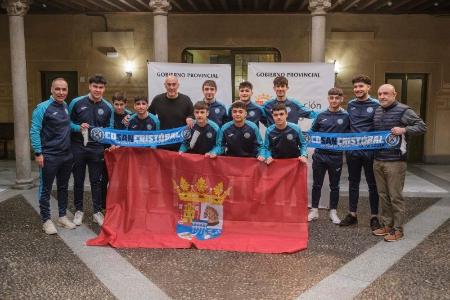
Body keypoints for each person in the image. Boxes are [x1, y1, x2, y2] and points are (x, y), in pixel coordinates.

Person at [372, 84, 426, 241]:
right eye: (380, 94)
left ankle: (398, 229)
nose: (382, 96)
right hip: (378, 159)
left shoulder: (404, 110)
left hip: (395, 162)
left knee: (395, 196)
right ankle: (387, 225)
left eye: (386, 93)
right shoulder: (378, 110)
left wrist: (404, 130)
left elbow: (422, 127)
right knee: (383, 195)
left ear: (394, 94)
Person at [30, 78, 76, 234]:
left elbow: (67, 126)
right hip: (49, 155)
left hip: (66, 155)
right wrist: (38, 152)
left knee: (63, 187)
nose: (61, 92)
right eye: (58, 89)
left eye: (64, 89)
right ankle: (46, 220)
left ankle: (62, 217)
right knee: (46, 189)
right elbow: (34, 131)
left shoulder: (65, 106)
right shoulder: (42, 108)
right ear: (51, 89)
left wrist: (79, 127)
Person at [69, 74, 113, 227]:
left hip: (96, 149)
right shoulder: (76, 102)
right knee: (79, 180)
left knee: (96, 181)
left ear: (104, 89)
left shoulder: (108, 107)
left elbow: (110, 129)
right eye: (95, 86)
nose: (97, 90)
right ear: (89, 86)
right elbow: (67, 122)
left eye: (100, 87)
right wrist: (77, 127)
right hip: (78, 147)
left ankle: (96, 212)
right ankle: (79, 210)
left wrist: (108, 145)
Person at [339, 74, 381, 231]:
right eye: (356, 87)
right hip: (353, 151)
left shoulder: (377, 104)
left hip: (370, 151)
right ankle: (352, 214)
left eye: (361, 86)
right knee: (353, 182)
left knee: (372, 184)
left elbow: (379, 126)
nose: (357, 89)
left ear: (368, 87)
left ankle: (374, 216)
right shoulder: (351, 104)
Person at [308, 88, 350, 224]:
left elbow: (352, 135)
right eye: (331, 98)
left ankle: (333, 212)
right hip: (320, 156)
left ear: (341, 99)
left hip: (336, 157)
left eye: (337, 98)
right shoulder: (320, 116)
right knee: (317, 184)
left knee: (335, 186)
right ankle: (314, 210)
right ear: (328, 99)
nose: (334, 100)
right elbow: (311, 133)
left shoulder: (346, 116)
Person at [149, 75, 194, 151]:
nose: (171, 87)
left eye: (174, 84)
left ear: (178, 85)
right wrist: (130, 116)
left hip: (181, 143)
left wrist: (190, 117)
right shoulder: (157, 99)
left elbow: (193, 114)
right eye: (169, 84)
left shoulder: (186, 99)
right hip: (163, 142)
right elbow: (148, 114)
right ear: (165, 85)